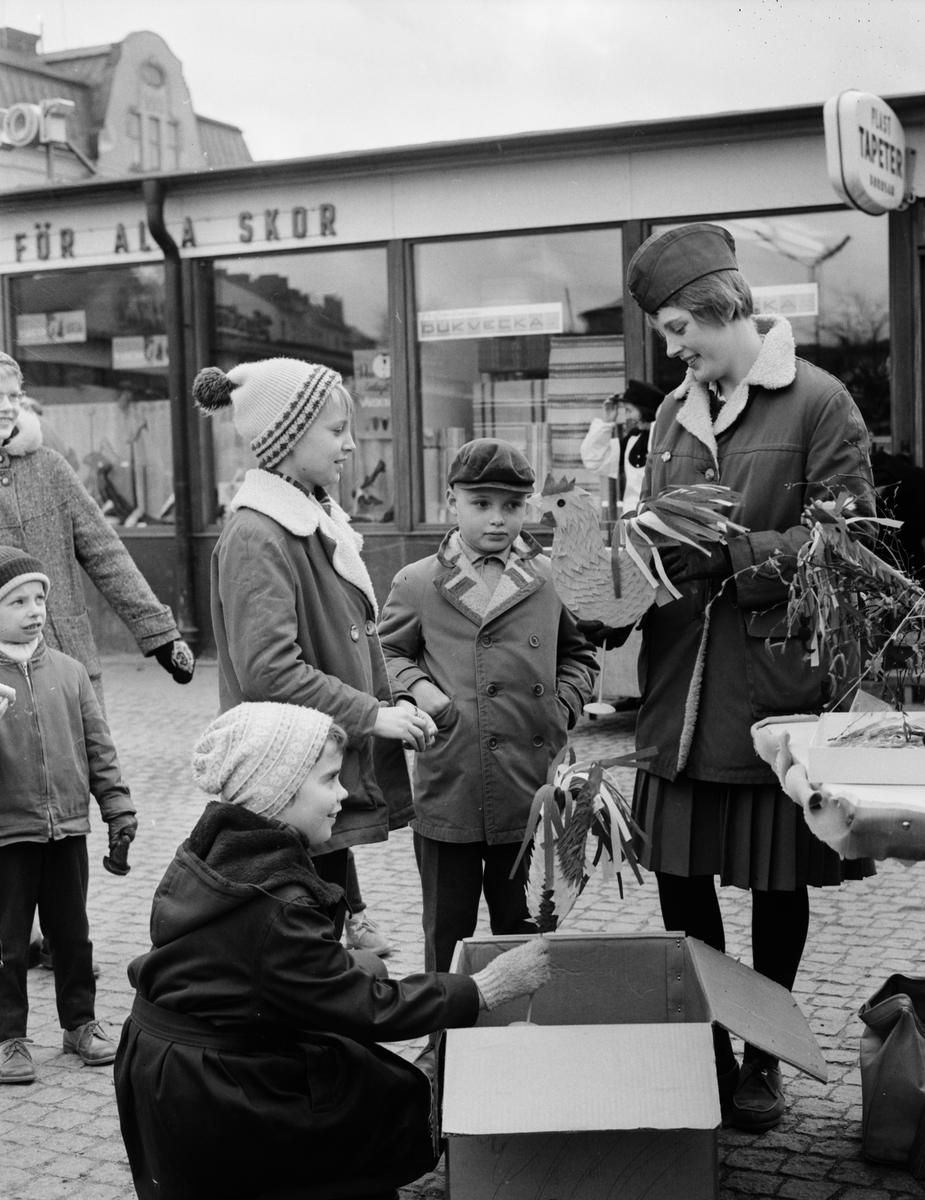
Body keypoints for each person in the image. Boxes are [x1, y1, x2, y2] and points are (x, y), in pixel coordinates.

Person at [622, 223, 877, 1131]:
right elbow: (652, 530)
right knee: (681, 886)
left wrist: (733, 557)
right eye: (663, 331)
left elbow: (846, 548)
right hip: (678, 693)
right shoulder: (667, 415)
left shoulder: (819, 403)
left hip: (770, 690)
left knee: (778, 886)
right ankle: (710, 1045)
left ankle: (762, 1056)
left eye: (679, 324)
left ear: (727, 307)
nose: (673, 345)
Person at [113, 701, 550, 1200]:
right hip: (218, 1094)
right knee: (394, 1100)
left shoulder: (216, 849)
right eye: (329, 779)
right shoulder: (275, 907)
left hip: (160, 1066)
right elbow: (370, 1008)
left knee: (364, 980)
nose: (343, 794)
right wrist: (483, 989)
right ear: (278, 789)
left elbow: (292, 972)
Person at [193, 357, 434, 932]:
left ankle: (349, 918)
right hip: (287, 768)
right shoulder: (259, 535)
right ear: (286, 436)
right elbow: (270, 673)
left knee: (322, 884)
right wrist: (373, 715)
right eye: (335, 430)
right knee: (301, 923)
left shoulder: (313, 518)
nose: (350, 445)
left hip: (311, 762)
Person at [379, 438, 598, 972]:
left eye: (512, 506)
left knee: (522, 932)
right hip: (450, 783)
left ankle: (518, 1043)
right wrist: (421, 693)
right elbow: (383, 653)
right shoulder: (418, 582)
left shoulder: (553, 577)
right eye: (481, 504)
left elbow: (582, 656)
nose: (497, 520)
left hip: (530, 787)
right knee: (446, 931)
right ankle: (443, 1044)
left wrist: (562, 706)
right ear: (451, 501)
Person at [0, 546, 136, 1085]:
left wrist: (117, 808)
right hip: (7, 835)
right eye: (16, 601)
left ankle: (79, 1023)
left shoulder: (70, 671)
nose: (33, 609)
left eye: (39, 598)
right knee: (7, 942)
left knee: (73, 936)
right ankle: (9, 1037)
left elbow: (99, 748)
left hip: (67, 831)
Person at [0, 352, 193, 712]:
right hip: (3, 678)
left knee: (93, 765)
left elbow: (106, 552)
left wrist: (161, 634)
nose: (8, 407)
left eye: (13, 396)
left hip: (69, 661)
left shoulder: (50, 467)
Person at [580, 378, 664, 514]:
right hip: (631, 521)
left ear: (645, 409)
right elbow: (594, 461)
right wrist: (607, 422)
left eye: (629, 410)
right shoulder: (633, 438)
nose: (628, 416)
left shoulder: (666, 438)